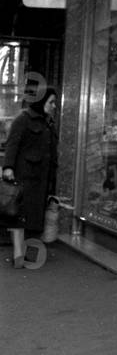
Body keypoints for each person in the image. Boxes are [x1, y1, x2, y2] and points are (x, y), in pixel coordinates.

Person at [2, 87, 58, 268]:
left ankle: (22, 252)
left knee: (28, 216)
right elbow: (12, 143)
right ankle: (19, 255)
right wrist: (8, 167)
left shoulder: (47, 122)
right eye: (51, 102)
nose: (54, 106)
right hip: (24, 176)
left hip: (39, 178)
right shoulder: (23, 119)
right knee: (18, 214)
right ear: (42, 102)